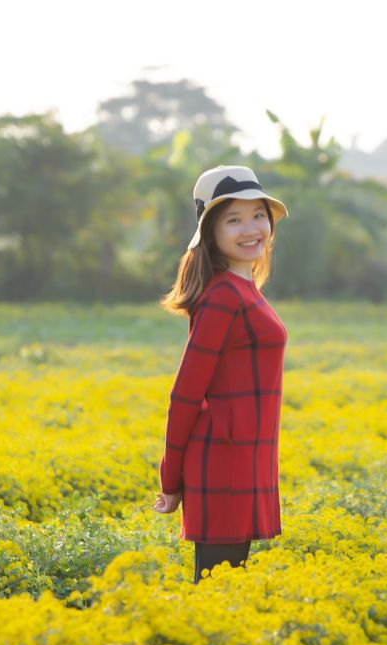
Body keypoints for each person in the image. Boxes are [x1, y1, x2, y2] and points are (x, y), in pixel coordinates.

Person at [152, 165, 290, 584]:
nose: (252, 229)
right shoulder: (222, 298)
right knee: (217, 594)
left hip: (245, 460)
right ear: (210, 231)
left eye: (258, 215)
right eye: (234, 219)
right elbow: (186, 394)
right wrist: (170, 478)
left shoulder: (243, 289)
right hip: (223, 463)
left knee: (227, 593)